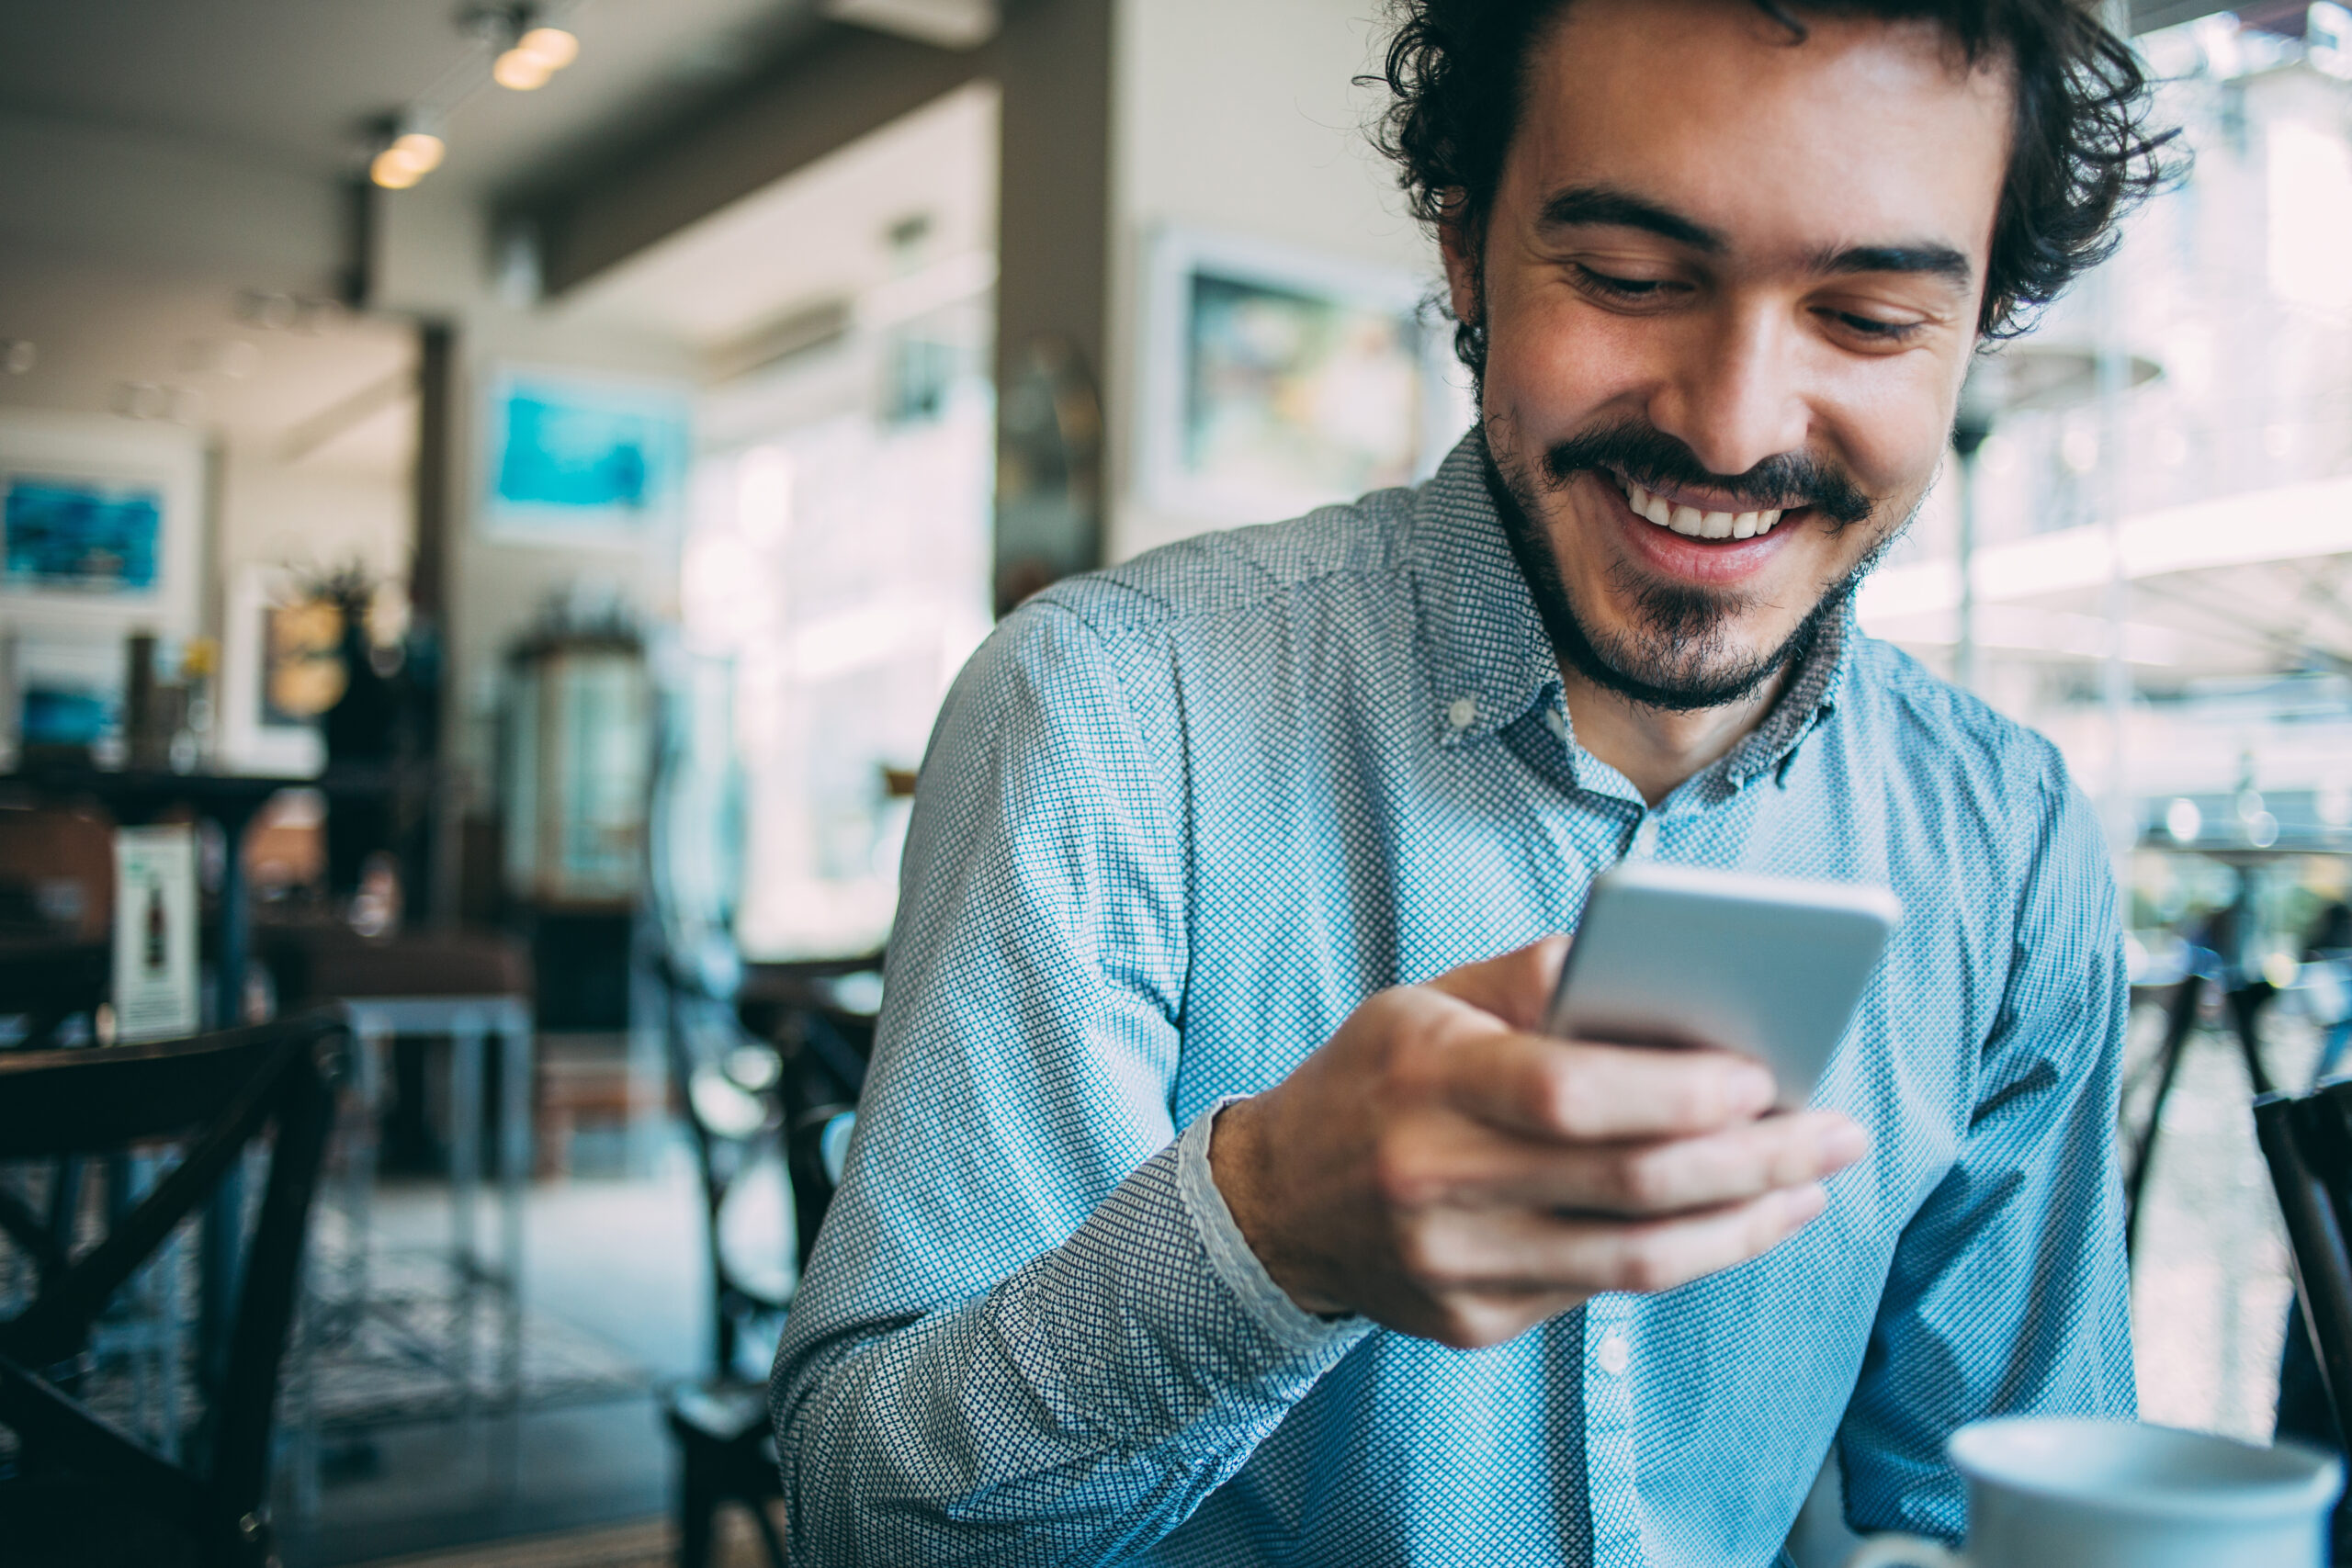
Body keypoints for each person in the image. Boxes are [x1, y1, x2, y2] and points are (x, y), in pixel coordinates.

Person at [771, 2, 2174, 1561]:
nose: (1732, 423)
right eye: (1634, 282)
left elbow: (2006, 1511)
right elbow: (870, 1522)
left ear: (1978, 327)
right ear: (1463, 249)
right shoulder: (1109, 714)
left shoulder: (2008, 840)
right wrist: (1268, 1238)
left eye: (1868, 317)